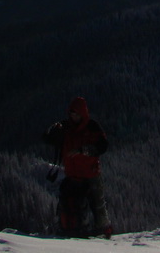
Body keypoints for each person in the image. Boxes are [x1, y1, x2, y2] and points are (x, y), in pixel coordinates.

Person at [43, 96, 112, 238]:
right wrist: (52, 132)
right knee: (70, 203)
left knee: (97, 204)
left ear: (82, 113)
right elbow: (46, 138)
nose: (74, 117)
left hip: (89, 173)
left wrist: (84, 150)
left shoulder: (92, 127)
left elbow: (103, 146)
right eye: (72, 114)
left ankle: (103, 230)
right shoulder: (66, 127)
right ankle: (72, 227)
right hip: (74, 173)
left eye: (76, 114)